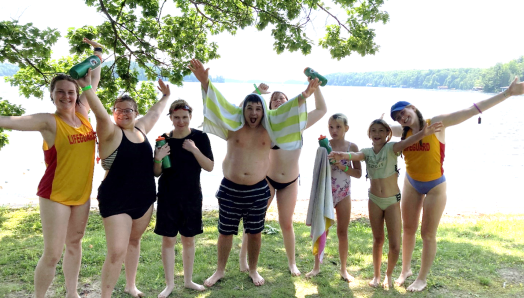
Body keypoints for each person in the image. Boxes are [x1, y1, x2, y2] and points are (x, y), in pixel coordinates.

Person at [188, 58, 320, 286]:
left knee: (255, 232)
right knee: (225, 232)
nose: (254, 112)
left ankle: (254, 269)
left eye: (258, 108)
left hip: (258, 190)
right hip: (230, 187)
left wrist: (305, 96)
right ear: (244, 110)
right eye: (249, 108)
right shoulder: (233, 126)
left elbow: (287, 112)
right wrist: (205, 81)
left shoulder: (271, 130)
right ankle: (219, 270)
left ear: (263, 111)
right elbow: (220, 106)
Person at [390, 77, 524, 292]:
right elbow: (377, 132)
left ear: (413, 108)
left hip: (435, 187)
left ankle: (421, 278)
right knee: (408, 228)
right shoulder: (402, 132)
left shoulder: (436, 123)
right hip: (411, 184)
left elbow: (470, 111)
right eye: (397, 118)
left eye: (403, 112)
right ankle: (405, 270)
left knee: (427, 234)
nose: (401, 118)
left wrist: (507, 94)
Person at [0, 39, 101, 298]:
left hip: (82, 195)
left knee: (75, 244)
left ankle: (72, 293)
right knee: (53, 252)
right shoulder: (48, 121)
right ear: (52, 95)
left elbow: (93, 79)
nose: (66, 96)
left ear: (77, 93)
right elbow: (11, 121)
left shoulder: (83, 114)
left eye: (70, 91)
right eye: (60, 92)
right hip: (55, 194)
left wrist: (97, 52)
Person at [76, 69, 170, 298]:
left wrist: (166, 97)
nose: (124, 114)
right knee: (116, 251)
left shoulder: (140, 128)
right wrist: (87, 87)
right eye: (119, 110)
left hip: (144, 199)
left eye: (129, 110)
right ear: (114, 113)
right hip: (116, 200)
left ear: (136, 113)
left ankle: (130, 285)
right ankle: (105, 295)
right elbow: (98, 111)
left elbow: (155, 113)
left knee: (134, 241)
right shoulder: (109, 131)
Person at [328, 119, 442, 289]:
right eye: (373, 130)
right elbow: (355, 156)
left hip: (392, 201)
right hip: (374, 200)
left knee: (395, 244)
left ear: (388, 134)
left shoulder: (391, 148)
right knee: (377, 239)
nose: (377, 134)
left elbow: (407, 141)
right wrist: (342, 155)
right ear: (369, 134)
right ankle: (376, 275)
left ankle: (388, 275)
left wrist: (423, 133)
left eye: (381, 130)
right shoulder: (366, 152)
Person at [239, 85, 327, 276]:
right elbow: (238, 116)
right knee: (255, 221)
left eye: (283, 98)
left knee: (286, 223)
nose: (279, 100)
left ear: (290, 103)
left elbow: (321, 110)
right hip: (267, 179)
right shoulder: (266, 124)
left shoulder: (299, 122)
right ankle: (243, 258)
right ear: (269, 105)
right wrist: (256, 93)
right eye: (275, 98)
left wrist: (317, 87)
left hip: (291, 181)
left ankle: (292, 263)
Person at [153, 99, 214, 296]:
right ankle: (169, 284)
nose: (181, 121)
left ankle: (188, 280)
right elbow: (156, 172)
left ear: (190, 117)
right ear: (170, 117)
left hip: (191, 196)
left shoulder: (200, 137)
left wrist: (194, 149)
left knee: (189, 240)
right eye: (176, 117)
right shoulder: (163, 139)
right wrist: (158, 157)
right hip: (168, 196)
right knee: (168, 240)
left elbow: (209, 166)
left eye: (185, 118)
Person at [306, 113, 362, 281]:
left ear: (346, 128)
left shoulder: (352, 147)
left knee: (342, 232)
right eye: (331, 127)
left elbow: (358, 173)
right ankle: (316, 267)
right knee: (322, 230)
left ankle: (344, 269)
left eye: (338, 127)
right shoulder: (324, 147)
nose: (334, 130)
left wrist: (342, 166)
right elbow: (317, 171)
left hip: (343, 193)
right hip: (326, 194)